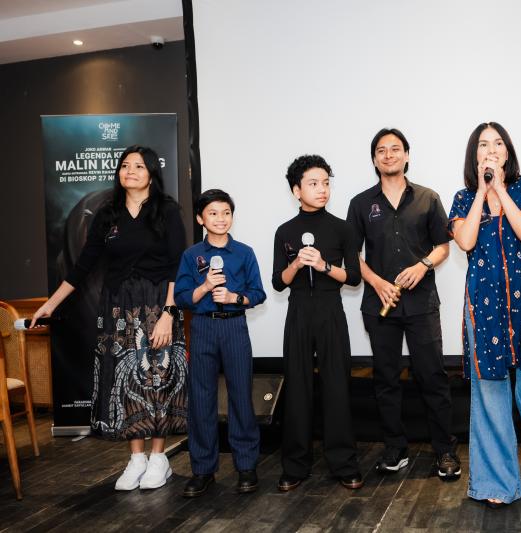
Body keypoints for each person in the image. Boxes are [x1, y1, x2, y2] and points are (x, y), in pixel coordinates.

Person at [33, 145, 188, 491]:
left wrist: (169, 313)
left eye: (139, 166)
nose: (130, 170)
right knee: (125, 381)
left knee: (158, 379)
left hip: (157, 304)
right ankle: (136, 459)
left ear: (151, 174)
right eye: (125, 165)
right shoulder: (108, 214)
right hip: (118, 306)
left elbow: (178, 265)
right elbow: (83, 266)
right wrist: (50, 305)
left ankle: (159, 459)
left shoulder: (166, 210)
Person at [449, 122, 521, 507]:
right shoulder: (464, 198)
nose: (491, 150)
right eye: (483, 145)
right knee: (490, 393)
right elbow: (465, 240)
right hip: (484, 307)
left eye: (498, 143)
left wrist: (500, 189)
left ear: (508, 152)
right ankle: (497, 485)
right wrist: (483, 193)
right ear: (474, 155)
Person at [346, 128, 460, 480]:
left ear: (407, 155)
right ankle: (395, 450)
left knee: (433, 377)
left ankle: (445, 451)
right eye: (381, 150)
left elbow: (443, 246)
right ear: (374, 159)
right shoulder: (361, 204)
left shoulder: (428, 197)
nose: (389, 155)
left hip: (421, 304)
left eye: (395, 149)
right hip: (379, 306)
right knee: (386, 380)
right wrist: (377, 282)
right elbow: (352, 255)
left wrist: (422, 265)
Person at [272, 155, 363, 492]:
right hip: (298, 311)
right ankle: (295, 466)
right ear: (296, 190)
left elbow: (353, 277)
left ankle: (344, 463)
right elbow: (278, 283)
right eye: (313, 183)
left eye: (326, 183)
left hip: (330, 310)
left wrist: (324, 266)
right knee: (297, 387)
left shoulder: (342, 228)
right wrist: (297, 264)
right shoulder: (285, 231)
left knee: (337, 385)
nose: (322, 189)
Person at [174, 189, 266, 497]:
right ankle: (203, 470)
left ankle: (246, 466)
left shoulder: (244, 253)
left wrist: (234, 297)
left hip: (234, 327)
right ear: (201, 219)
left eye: (226, 212)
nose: (221, 218)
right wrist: (205, 287)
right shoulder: (191, 256)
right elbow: (182, 298)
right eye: (213, 213)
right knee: (201, 399)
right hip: (202, 327)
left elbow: (258, 293)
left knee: (241, 396)